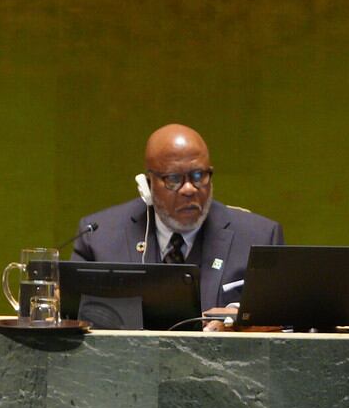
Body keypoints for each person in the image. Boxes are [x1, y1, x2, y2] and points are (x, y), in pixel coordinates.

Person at [71, 124, 285, 316]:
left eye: (199, 176)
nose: (190, 189)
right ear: (148, 185)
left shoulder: (259, 237)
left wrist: (235, 319)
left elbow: (281, 319)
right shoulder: (99, 238)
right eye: (174, 179)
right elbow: (76, 316)